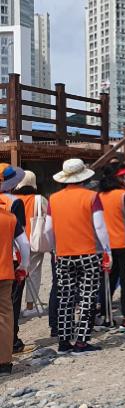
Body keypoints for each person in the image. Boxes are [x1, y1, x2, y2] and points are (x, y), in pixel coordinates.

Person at [49, 158, 111, 355]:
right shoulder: (92, 197)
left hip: (63, 254)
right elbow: (100, 227)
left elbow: (49, 229)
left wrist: (55, 250)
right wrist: (107, 251)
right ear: (83, 176)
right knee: (87, 297)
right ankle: (82, 342)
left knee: (65, 297)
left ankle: (64, 341)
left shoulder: (53, 198)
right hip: (88, 253)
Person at [97, 165, 125, 329]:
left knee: (107, 280)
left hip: (105, 245)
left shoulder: (98, 196)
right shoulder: (124, 195)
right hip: (124, 242)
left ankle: (106, 316)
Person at [12, 171, 51, 313]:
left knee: (15, 274)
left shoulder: (12, 198)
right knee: (33, 273)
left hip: (15, 242)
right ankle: (29, 306)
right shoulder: (39, 199)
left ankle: (14, 305)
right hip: (34, 240)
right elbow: (49, 216)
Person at [0, 205, 29, 374]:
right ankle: (4, 362)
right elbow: (24, 245)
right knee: (4, 316)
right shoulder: (9, 218)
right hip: (4, 273)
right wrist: (23, 266)